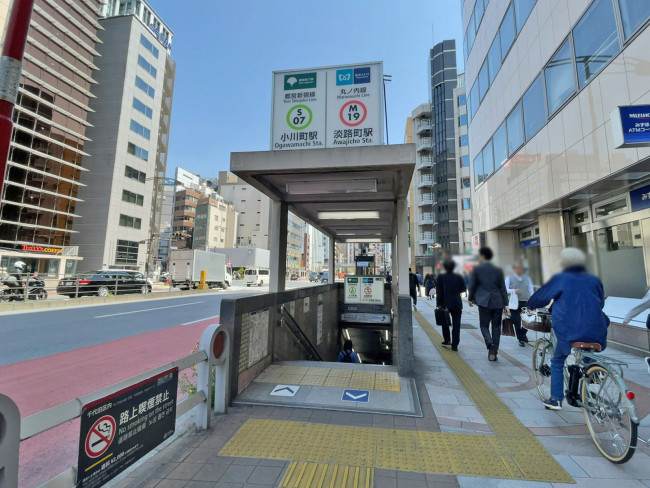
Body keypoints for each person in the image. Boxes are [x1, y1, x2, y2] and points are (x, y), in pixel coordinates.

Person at [527, 248, 609, 411]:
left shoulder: (561, 278)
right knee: (586, 352)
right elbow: (600, 303)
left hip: (568, 328)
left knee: (558, 360)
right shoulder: (593, 279)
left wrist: (530, 305)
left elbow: (542, 296)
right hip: (595, 327)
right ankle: (589, 372)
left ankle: (556, 399)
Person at [468, 247, 509, 361]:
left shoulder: (477, 269)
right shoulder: (498, 270)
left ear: (481, 256)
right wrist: (506, 304)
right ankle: (494, 351)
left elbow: (472, 285)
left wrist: (470, 298)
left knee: (484, 325)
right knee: (496, 327)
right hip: (498, 302)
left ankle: (490, 345)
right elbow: (503, 288)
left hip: (483, 302)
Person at [436, 259, 466, 351]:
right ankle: (455, 345)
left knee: (444, 322)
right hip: (457, 302)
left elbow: (439, 291)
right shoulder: (459, 276)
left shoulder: (441, 277)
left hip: (445, 303)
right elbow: (464, 288)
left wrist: (439, 303)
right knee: (456, 324)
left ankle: (447, 339)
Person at [505, 263, 535, 347]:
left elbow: (531, 290)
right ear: (514, 269)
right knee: (516, 320)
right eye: (517, 268)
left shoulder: (527, 278)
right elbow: (505, 289)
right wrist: (513, 291)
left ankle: (522, 334)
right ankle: (520, 339)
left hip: (525, 302)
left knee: (528, 321)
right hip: (514, 302)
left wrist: (533, 301)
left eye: (520, 268)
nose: (519, 270)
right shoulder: (509, 278)